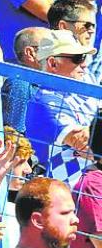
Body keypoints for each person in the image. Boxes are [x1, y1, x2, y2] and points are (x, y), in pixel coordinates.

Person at [22, 29, 99, 185]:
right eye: (78, 58)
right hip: (69, 191)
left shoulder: (84, 86)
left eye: (84, 57)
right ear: (53, 63)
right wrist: (93, 135)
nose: (84, 64)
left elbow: (95, 141)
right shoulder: (43, 102)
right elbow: (89, 146)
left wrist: (93, 134)